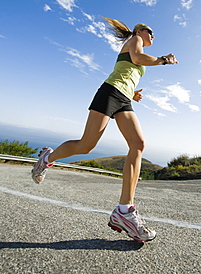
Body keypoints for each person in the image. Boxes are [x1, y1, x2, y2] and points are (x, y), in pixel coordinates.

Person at [31, 17, 178, 242]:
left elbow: (129, 69)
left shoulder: (137, 44)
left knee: (138, 144)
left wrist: (133, 93)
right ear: (139, 30)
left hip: (123, 99)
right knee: (86, 146)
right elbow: (138, 58)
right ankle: (47, 158)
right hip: (110, 93)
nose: (152, 36)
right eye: (150, 31)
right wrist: (164, 60)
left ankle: (124, 211)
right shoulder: (135, 40)